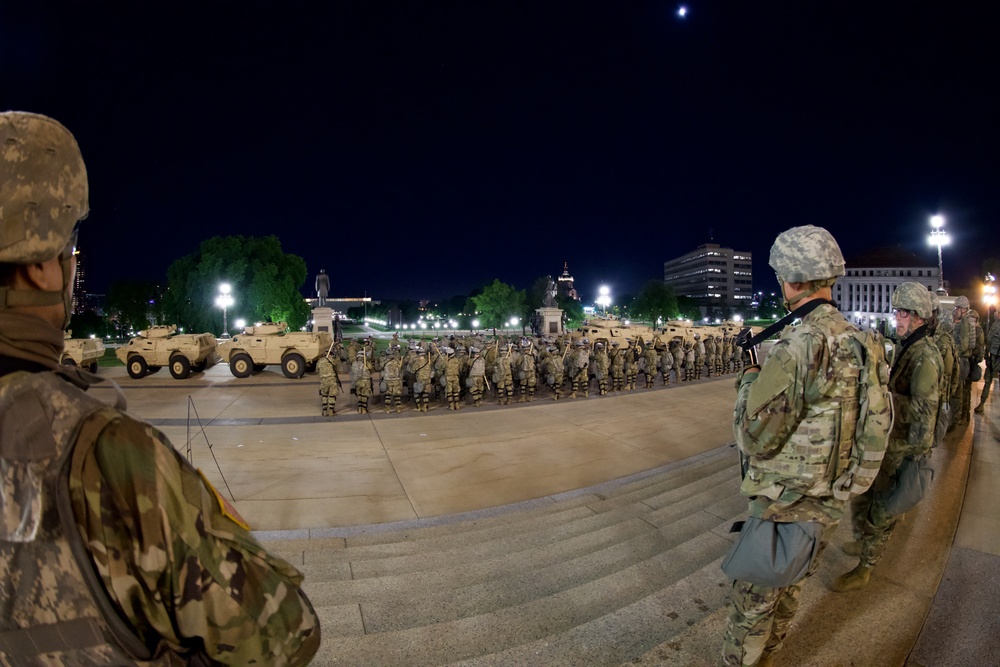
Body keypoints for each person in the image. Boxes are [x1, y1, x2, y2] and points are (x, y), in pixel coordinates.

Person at [0, 112, 319, 665]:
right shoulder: (106, 453)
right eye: (70, 252)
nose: (73, 266)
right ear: (40, 268)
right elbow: (287, 633)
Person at [721, 225, 864, 667]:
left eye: (782, 276)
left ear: (794, 281)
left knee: (752, 607)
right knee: (792, 589)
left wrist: (749, 376)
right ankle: (771, 655)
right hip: (828, 500)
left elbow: (753, 434)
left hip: (784, 503)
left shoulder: (800, 344)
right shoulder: (863, 340)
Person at [833, 282, 942, 592]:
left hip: (904, 446)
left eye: (903, 313)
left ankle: (866, 567)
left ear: (920, 315)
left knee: (882, 509)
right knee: (864, 497)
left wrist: (882, 397)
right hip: (887, 440)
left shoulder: (926, 357)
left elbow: (923, 411)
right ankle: (862, 539)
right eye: (896, 311)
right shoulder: (909, 344)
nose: (898, 318)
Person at [952, 295, 980, 425]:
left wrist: (951, 351)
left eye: (957, 308)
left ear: (963, 309)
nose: (955, 311)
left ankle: (956, 419)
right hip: (966, 360)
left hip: (961, 360)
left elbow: (963, 345)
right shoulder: (969, 320)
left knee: (957, 392)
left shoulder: (964, 323)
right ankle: (964, 416)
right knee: (964, 390)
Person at [977, 310, 1000, 412]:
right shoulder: (995, 323)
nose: (995, 313)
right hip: (992, 356)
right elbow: (990, 339)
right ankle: (982, 404)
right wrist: (987, 354)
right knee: (987, 380)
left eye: (998, 312)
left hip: (998, 357)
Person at [317, 348, 342, 416]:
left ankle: (324, 411)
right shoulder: (333, 361)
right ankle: (331, 411)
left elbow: (317, 370)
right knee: (332, 396)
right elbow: (338, 367)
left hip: (323, 381)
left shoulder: (320, 361)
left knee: (324, 395)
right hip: (332, 381)